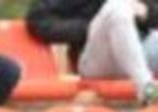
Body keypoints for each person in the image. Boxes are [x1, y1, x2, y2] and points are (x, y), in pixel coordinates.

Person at [28, 0, 158, 103]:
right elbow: (38, 20)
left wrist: (145, 11)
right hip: (98, 60)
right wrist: (88, 28)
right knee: (117, 7)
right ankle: (146, 87)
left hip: (143, 50)